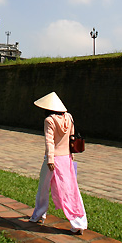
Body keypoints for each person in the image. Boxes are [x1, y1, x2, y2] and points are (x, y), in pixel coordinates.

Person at [29, 91, 87, 235]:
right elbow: (71, 138)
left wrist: (49, 159)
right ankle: (78, 222)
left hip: (53, 158)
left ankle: (39, 214)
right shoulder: (69, 117)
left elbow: (49, 141)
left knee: (43, 187)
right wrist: (71, 156)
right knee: (70, 189)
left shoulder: (49, 120)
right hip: (66, 158)